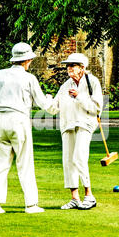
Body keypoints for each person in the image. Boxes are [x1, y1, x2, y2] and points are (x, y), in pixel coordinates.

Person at [0, 42, 53, 214]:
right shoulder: (29, 78)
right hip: (18, 120)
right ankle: (31, 204)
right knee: (24, 162)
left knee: (1, 163)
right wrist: (51, 99)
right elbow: (43, 104)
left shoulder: (0, 75)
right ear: (27, 61)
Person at [47, 53, 103, 210]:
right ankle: (74, 198)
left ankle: (89, 195)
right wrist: (46, 100)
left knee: (79, 157)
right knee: (68, 160)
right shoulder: (65, 86)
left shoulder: (92, 82)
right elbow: (54, 108)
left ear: (82, 67)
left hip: (85, 124)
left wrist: (80, 97)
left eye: (73, 65)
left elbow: (97, 108)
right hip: (67, 125)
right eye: (68, 66)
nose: (69, 68)